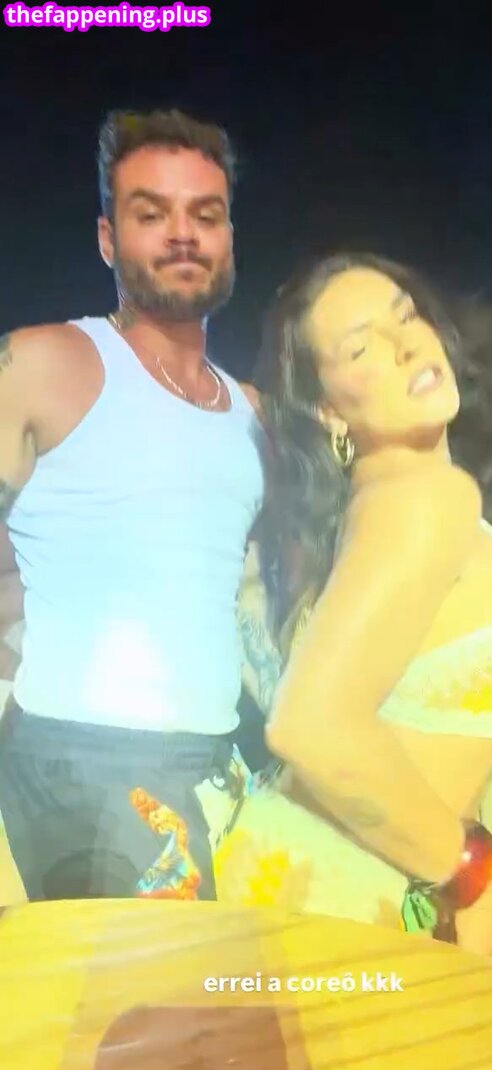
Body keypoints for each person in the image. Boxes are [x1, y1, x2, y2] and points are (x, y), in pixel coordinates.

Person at [213, 253, 492, 959]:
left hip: (343, 883)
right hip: (337, 898)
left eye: (405, 315)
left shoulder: (381, 500)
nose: (406, 344)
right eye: (361, 348)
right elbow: (308, 725)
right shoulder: (425, 501)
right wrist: (468, 870)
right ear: (327, 407)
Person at [0, 108, 265, 903]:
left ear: (229, 239)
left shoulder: (253, 413)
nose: (183, 234)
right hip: (86, 765)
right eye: (152, 214)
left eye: (205, 215)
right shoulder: (49, 363)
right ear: (109, 239)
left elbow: (251, 596)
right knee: (158, 981)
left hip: (218, 763)